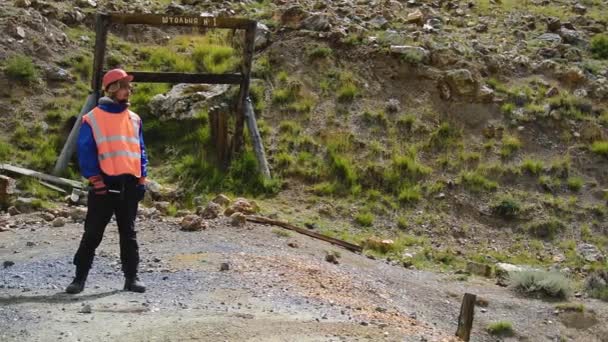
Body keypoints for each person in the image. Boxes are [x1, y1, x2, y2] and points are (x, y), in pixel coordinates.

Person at [66, 69, 148, 294]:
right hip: (103, 186)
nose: (129, 90)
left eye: (129, 86)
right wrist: (95, 179)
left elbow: (140, 151)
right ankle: (79, 278)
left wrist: (142, 180)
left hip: (129, 186)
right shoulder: (92, 118)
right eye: (124, 86)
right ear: (112, 89)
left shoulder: (135, 119)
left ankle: (132, 278)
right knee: (92, 233)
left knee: (129, 234)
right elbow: (85, 151)